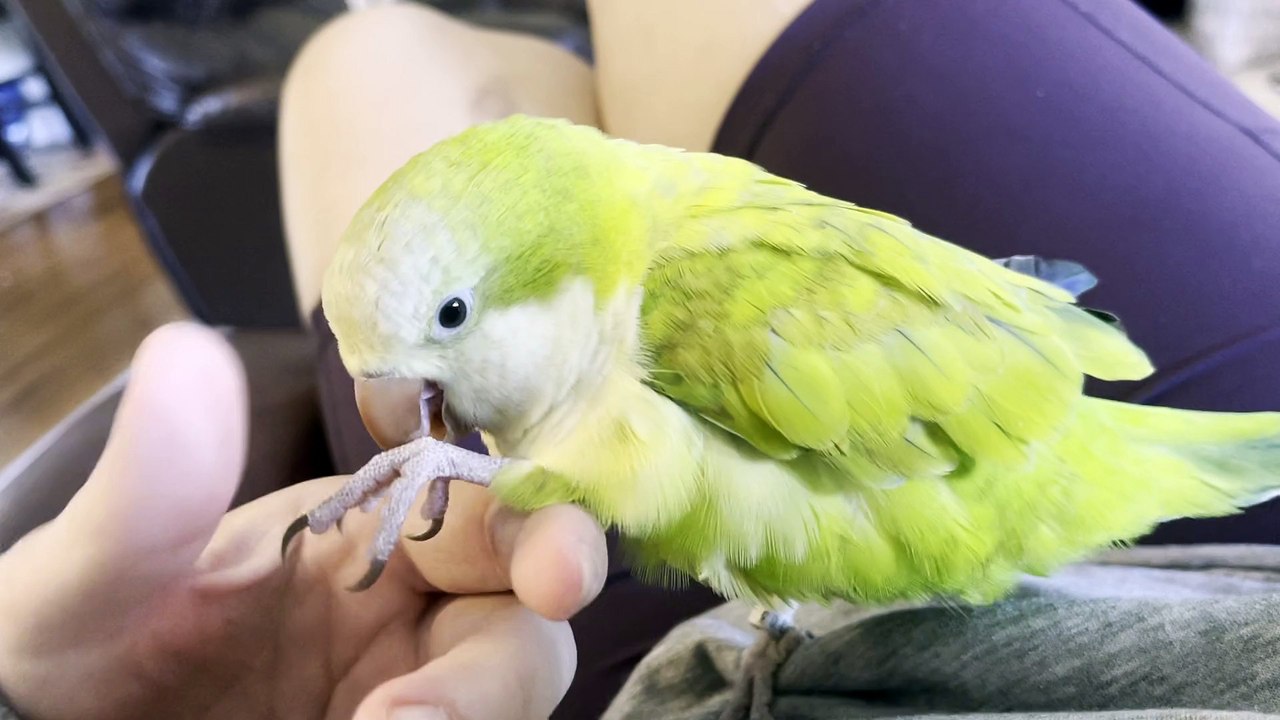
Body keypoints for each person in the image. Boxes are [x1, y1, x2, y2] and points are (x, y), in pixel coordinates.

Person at [3, 0, 1280, 718]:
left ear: (567, 284)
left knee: (365, 58)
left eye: (445, 322)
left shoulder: (691, 299)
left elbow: (662, 481)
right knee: (362, 43)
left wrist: (486, 461)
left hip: (993, 479)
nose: (387, 397)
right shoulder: (606, 239)